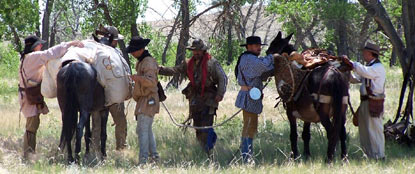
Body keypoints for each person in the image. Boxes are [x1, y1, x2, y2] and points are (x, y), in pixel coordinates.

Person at [19, 35, 83, 160]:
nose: (41, 46)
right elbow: (50, 53)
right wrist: (70, 43)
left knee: (32, 125)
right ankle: (28, 155)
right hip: (30, 96)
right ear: (33, 46)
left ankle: (29, 154)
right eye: (39, 44)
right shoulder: (33, 57)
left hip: (29, 95)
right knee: (31, 126)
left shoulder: (27, 57)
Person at [158, 39, 228, 154]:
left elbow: (223, 78)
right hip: (195, 98)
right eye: (194, 51)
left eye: (198, 50)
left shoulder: (212, 63)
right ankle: (202, 150)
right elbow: (175, 70)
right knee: (197, 126)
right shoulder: (188, 63)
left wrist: (220, 94)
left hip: (209, 98)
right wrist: (160, 70)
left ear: (203, 50)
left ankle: (209, 151)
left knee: (206, 126)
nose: (196, 53)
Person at [235, 36, 275, 163]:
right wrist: (273, 56)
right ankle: (246, 157)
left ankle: (247, 155)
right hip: (248, 97)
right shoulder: (249, 59)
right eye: (256, 45)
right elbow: (264, 66)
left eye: (259, 45)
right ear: (249, 47)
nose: (259, 47)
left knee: (251, 127)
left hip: (250, 96)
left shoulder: (249, 58)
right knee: (249, 127)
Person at [343, 42, 386, 159]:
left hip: (373, 102)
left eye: (364, 52)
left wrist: (351, 63)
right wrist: (348, 72)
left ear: (369, 53)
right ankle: (368, 154)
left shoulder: (377, 68)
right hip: (365, 102)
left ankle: (378, 155)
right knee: (365, 129)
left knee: (374, 129)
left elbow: (365, 72)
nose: (363, 54)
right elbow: (357, 79)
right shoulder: (370, 67)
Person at [92, 25, 128, 152]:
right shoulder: (115, 54)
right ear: (112, 39)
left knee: (96, 125)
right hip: (114, 94)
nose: (117, 42)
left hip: (96, 94)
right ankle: (121, 148)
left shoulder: (93, 51)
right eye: (116, 40)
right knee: (120, 122)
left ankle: (95, 151)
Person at [127, 36, 160, 164]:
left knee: (142, 129)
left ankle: (144, 160)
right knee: (145, 129)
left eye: (134, 50)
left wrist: (138, 78)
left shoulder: (148, 62)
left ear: (141, 49)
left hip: (149, 98)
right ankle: (154, 158)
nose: (132, 53)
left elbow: (152, 82)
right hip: (144, 99)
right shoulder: (143, 61)